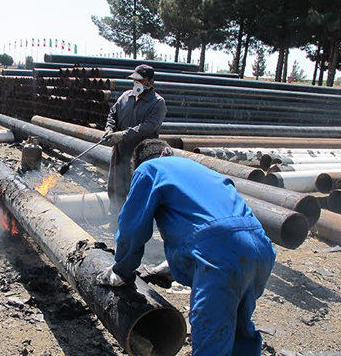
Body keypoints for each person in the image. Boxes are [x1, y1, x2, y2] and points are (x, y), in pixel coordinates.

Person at [96, 139, 277, 356]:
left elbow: (132, 227)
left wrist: (121, 270)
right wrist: (175, 266)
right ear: (167, 152)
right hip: (259, 248)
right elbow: (212, 223)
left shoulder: (148, 169)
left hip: (220, 255)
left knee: (212, 335)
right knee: (239, 328)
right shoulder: (202, 170)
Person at [103, 64, 166, 214]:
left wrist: (123, 134)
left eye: (140, 81)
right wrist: (109, 128)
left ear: (150, 82)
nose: (136, 84)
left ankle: (134, 226)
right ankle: (115, 220)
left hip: (141, 156)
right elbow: (113, 113)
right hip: (120, 151)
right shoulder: (125, 97)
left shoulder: (157, 103)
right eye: (135, 80)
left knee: (137, 190)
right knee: (116, 187)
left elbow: (148, 126)